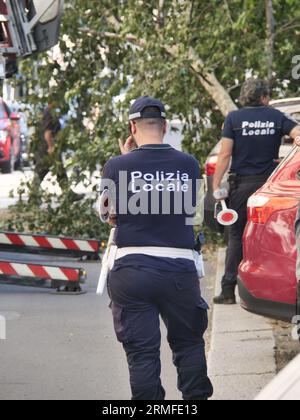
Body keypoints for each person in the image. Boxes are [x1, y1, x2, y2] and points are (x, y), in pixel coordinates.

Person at [101, 96, 213, 400]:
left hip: (132, 271)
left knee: (142, 354)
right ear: (164, 126)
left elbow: (110, 218)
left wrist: (127, 158)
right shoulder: (188, 164)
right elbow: (196, 216)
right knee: (189, 344)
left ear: (132, 126)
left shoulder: (116, 166)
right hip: (178, 271)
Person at [213, 78, 300, 305]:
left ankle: (228, 290)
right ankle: (265, 288)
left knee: (236, 235)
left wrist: (215, 185)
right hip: (268, 186)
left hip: (242, 185)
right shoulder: (276, 116)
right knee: (268, 236)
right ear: (264, 97)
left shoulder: (234, 118)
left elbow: (224, 155)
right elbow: (298, 133)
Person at [33, 103, 83, 201]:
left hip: (49, 146)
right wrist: (51, 147)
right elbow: (47, 133)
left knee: (59, 171)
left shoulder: (50, 112)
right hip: (48, 147)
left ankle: (68, 194)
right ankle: (33, 195)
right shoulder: (49, 113)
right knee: (42, 170)